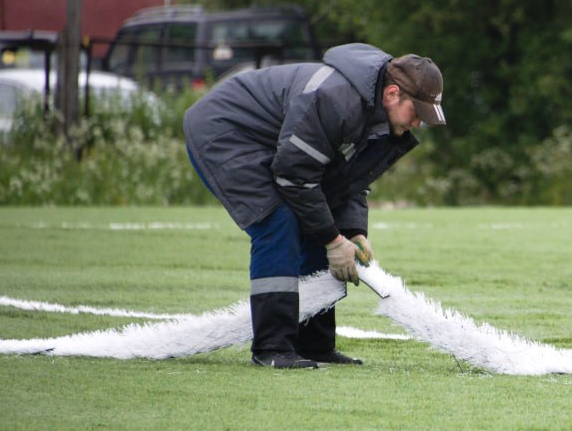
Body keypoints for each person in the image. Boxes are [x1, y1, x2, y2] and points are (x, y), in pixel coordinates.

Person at [184, 43, 445, 369]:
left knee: (318, 227)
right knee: (278, 220)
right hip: (225, 132)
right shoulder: (335, 99)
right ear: (392, 95)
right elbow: (294, 176)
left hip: (274, 145)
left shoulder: (374, 113)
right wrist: (334, 242)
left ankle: (315, 345)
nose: (418, 124)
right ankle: (272, 349)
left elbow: (344, 182)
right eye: (416, 113)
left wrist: (352, 233)